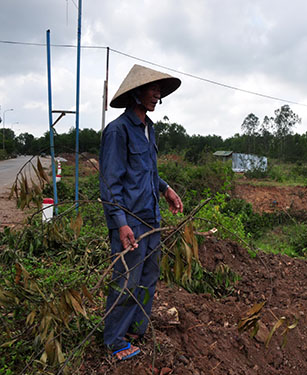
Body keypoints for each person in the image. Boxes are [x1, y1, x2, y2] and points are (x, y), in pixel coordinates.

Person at [99, 64, 183, 360]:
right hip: (130, 222)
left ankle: (136, 329)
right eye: (152, 89)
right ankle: (115, 340)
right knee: (126, 280)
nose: (157, 95)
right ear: (135, 93)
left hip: (152, 220)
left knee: (148, 277)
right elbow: (110, 183)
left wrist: (166, 189)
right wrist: (120, 224)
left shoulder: (150, 129)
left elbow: (148, 172)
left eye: (159, 90)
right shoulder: (118, 131)